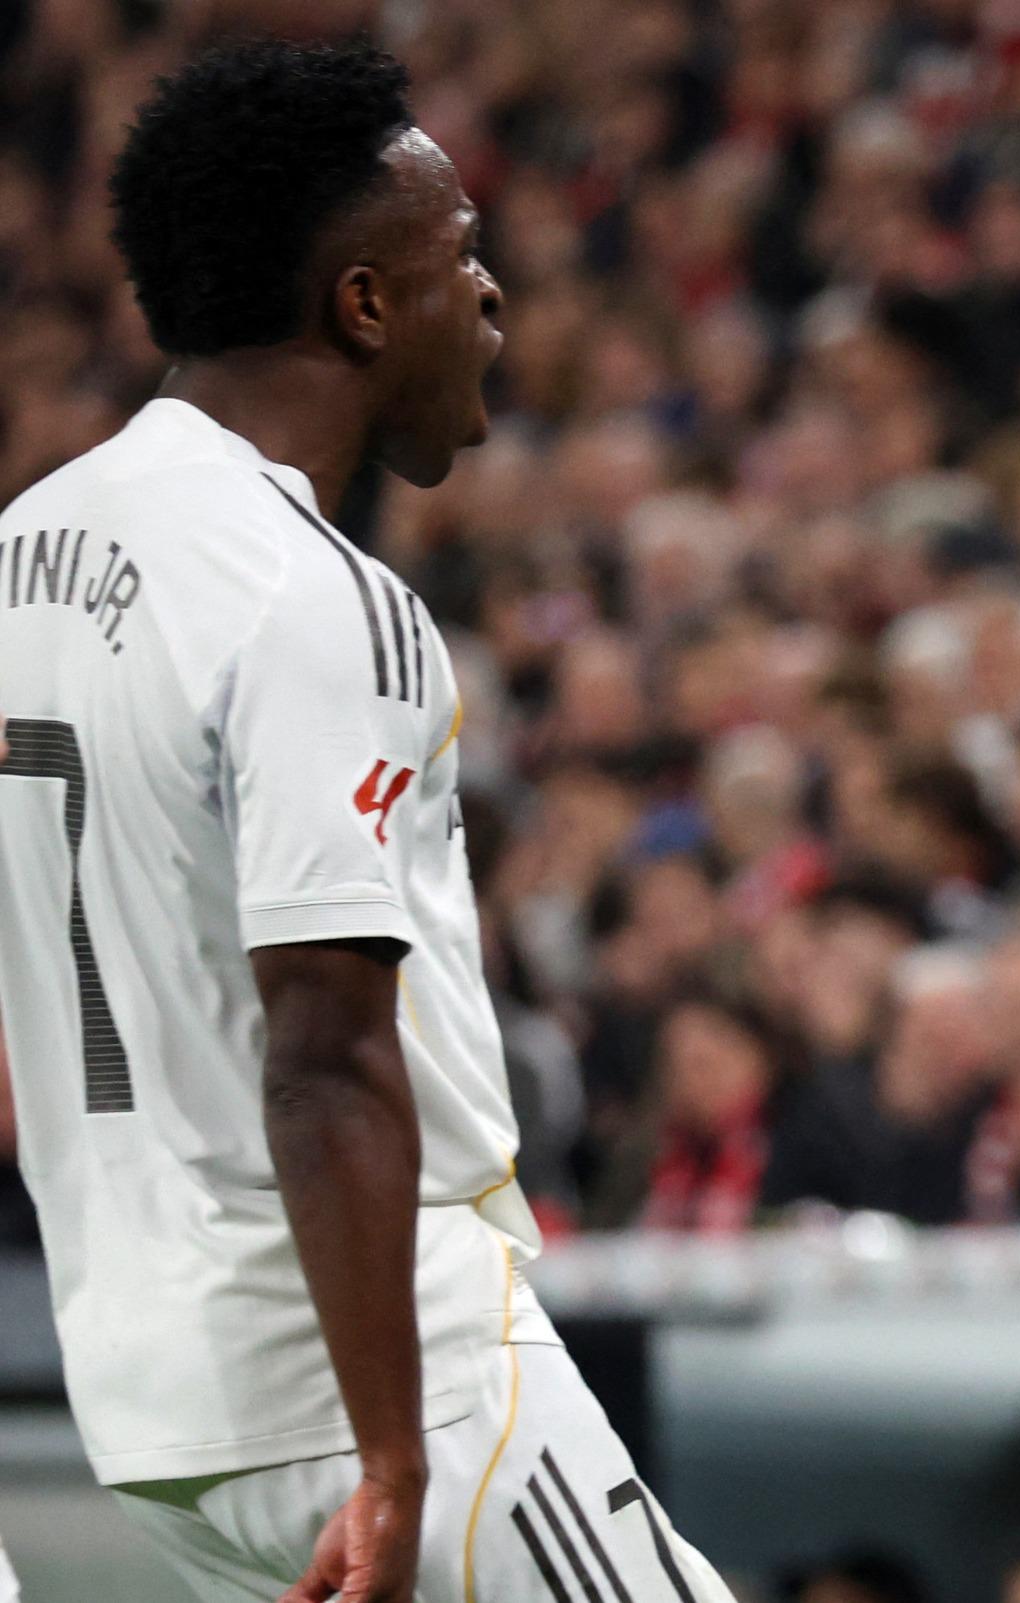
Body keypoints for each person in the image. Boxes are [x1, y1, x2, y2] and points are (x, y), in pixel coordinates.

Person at [0, 39, 722, 1603]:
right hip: (386, 1385)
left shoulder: (23, 550)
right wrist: (394, 1460)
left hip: (154, 1408)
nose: (493, 295)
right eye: (460, 255)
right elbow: (325, 1050)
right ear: (365, 304)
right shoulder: (310, 598)